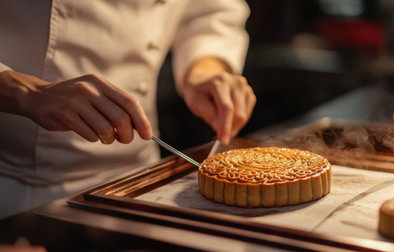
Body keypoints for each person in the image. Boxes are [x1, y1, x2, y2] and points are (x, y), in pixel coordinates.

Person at [0, 0, 256, 219]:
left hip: (138, 178)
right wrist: (28, 92)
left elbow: (209, 10)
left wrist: (204, 70)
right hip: (17, 188)